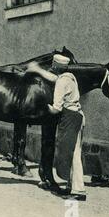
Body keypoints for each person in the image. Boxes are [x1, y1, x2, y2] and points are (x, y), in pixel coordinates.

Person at [26, 54, 86, 201]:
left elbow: (56, 109)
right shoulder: (70, 77)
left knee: (71, 154)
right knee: (74, 151)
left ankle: (79, 191)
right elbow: (55, 78)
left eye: (53, 64)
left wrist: (43, 106)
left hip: (70, 117)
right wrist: (38, 70)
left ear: (57, 66)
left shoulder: (61, 82)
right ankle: (73, 187)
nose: (51, 66)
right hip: (78, 115)